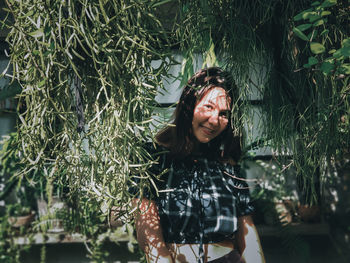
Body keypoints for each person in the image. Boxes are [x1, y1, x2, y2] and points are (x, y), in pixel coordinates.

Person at [132, 67, 265, 263]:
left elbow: (247, 233)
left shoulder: (226, 164)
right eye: (208, 107)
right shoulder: (154, 158)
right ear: (189, 104)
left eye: (223, 113)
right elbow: (148, 232)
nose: (214, 120)